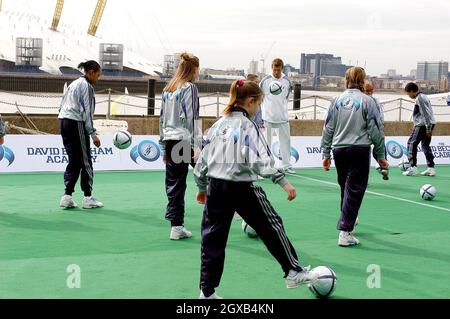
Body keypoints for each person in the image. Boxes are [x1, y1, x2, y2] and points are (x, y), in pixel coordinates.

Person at [194, 79, 317, 299]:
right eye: (258, 104)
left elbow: (201, 159)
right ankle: (293, 271)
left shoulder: (218, 125)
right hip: (241, 188)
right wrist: (283, 182)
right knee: (271, 226)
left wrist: (202, 186)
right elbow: (261, 159)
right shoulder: (248, 126)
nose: (259, 108)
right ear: (251, 102)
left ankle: (207, 291)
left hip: (216, 187)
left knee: (212, 239)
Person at [321, 67, 388, 247]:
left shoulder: (336, 100)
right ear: (362, 80)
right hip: (359, 148)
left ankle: (349, 218)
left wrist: (325, 152)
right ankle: (345, 230)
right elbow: (376, 129)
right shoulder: (368, 101)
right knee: (356, 188)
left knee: (345, 186)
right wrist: (381, 155)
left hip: (339, 149)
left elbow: (328, 127)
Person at [159, 52, 202, 240]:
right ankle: (232, 209)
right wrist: (197, 145)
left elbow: (161, 119)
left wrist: (163, 146)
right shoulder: (189, 88)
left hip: (170, 139)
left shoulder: (168, 89)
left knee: (174, 183)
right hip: (184, 141)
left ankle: (176, 225)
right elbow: (192, 117)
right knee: (211, 172)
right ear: (194, 69)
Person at [58, 60, 103, 209]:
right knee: (85, 161)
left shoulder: (73, 84)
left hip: (64, 121)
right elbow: (87, 112)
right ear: (91, 72)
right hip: (76, 123)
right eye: (98, 74)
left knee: (74, 161)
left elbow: (62, 104)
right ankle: (88, 197)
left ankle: (67, 196)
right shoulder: (87, 86)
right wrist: (93, 133)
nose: (98, 78)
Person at [259, 58, 295, 174]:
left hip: (283, 117)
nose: (276, 72)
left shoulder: (287, 81)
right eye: (274, 70)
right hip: (267, 117)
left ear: (282, 69)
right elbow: (260, 98)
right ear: (272, 68)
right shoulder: (265, 81)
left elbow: (286, 98)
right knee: (266, 143)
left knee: (285, 141)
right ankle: (267, 165)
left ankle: (287, 165)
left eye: (278, 70)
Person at [403, 82, 436, 176]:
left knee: (411, 143)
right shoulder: (424, 96)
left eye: (408, 93)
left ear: (412, 91)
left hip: (423, 125)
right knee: (425, 145)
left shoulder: (419, 98)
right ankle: (431, 168)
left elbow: (425, 113)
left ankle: (413, 167)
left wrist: (428, 128)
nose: (409, 96)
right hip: (427, 123)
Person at [363, 82, 388, 180]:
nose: (369, 93)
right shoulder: (376, 100)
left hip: (366, 129)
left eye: (370, 91)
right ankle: (383, 165)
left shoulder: (363, 100)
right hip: (378, 128)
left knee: (365, 153)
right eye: (368, 91)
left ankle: (363, 177)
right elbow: (381, 116)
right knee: (380, 148)